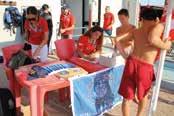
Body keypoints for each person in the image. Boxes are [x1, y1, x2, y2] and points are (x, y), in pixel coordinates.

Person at [116, 8, 171, 116]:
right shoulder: (158, 30)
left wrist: (124, 55)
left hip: (131, 62)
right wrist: (166, 46)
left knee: (127, 98)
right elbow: (153, 40)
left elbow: (117, 40)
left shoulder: (136, 31)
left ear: (141, 19)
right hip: (145, 66)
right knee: (143, 96)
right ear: (156, 19)